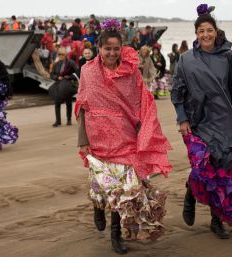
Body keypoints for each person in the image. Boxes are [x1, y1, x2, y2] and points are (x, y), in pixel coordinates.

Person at [171, 4, 232, 239]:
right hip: (199, 123)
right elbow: (177, 92)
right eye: (201, 31)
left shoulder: (228, 57)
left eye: (209, 30)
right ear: (196, 34)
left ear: (216, 31)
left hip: (226, 123)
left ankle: (217, 221)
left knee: (223, 172)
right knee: (202, 167)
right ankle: (190, 193)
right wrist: (182, 117)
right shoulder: (186, 60)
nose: (205, 34)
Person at [75, 18, 172, 254]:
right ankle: (98, 207)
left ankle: (115, 233)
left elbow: (141, 103)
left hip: (124, 139)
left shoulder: (131, 72)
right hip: (96, 139)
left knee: (127, 189)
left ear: (121, 48)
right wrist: (83, 140)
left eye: (116, 48)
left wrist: (143, 133)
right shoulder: (87, 71)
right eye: (107, 48)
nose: (111, 53)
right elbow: (81, 107)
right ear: (99, 48)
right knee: (102, 185)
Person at [49, 47, 78, 127]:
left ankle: (69, 119)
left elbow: (77, 73)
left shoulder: (71, 63)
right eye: (59, 54)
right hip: (58, 85)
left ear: (66, 55)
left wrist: (68, 77)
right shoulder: (56, 64)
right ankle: (58, 121)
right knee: (57, 102)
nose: (61, 56)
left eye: (62, 54)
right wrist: (57, 77)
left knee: (68, 102)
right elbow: (52, 74)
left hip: (68, 85)